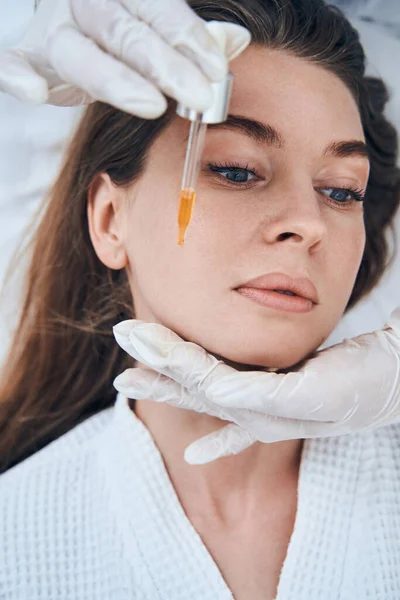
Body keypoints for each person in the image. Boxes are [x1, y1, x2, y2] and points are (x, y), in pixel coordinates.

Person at [1, 2, 400, 599]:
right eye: (237, 170)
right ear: (111, 219)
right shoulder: (17, 536)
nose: (308, 222)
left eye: (341, 191)